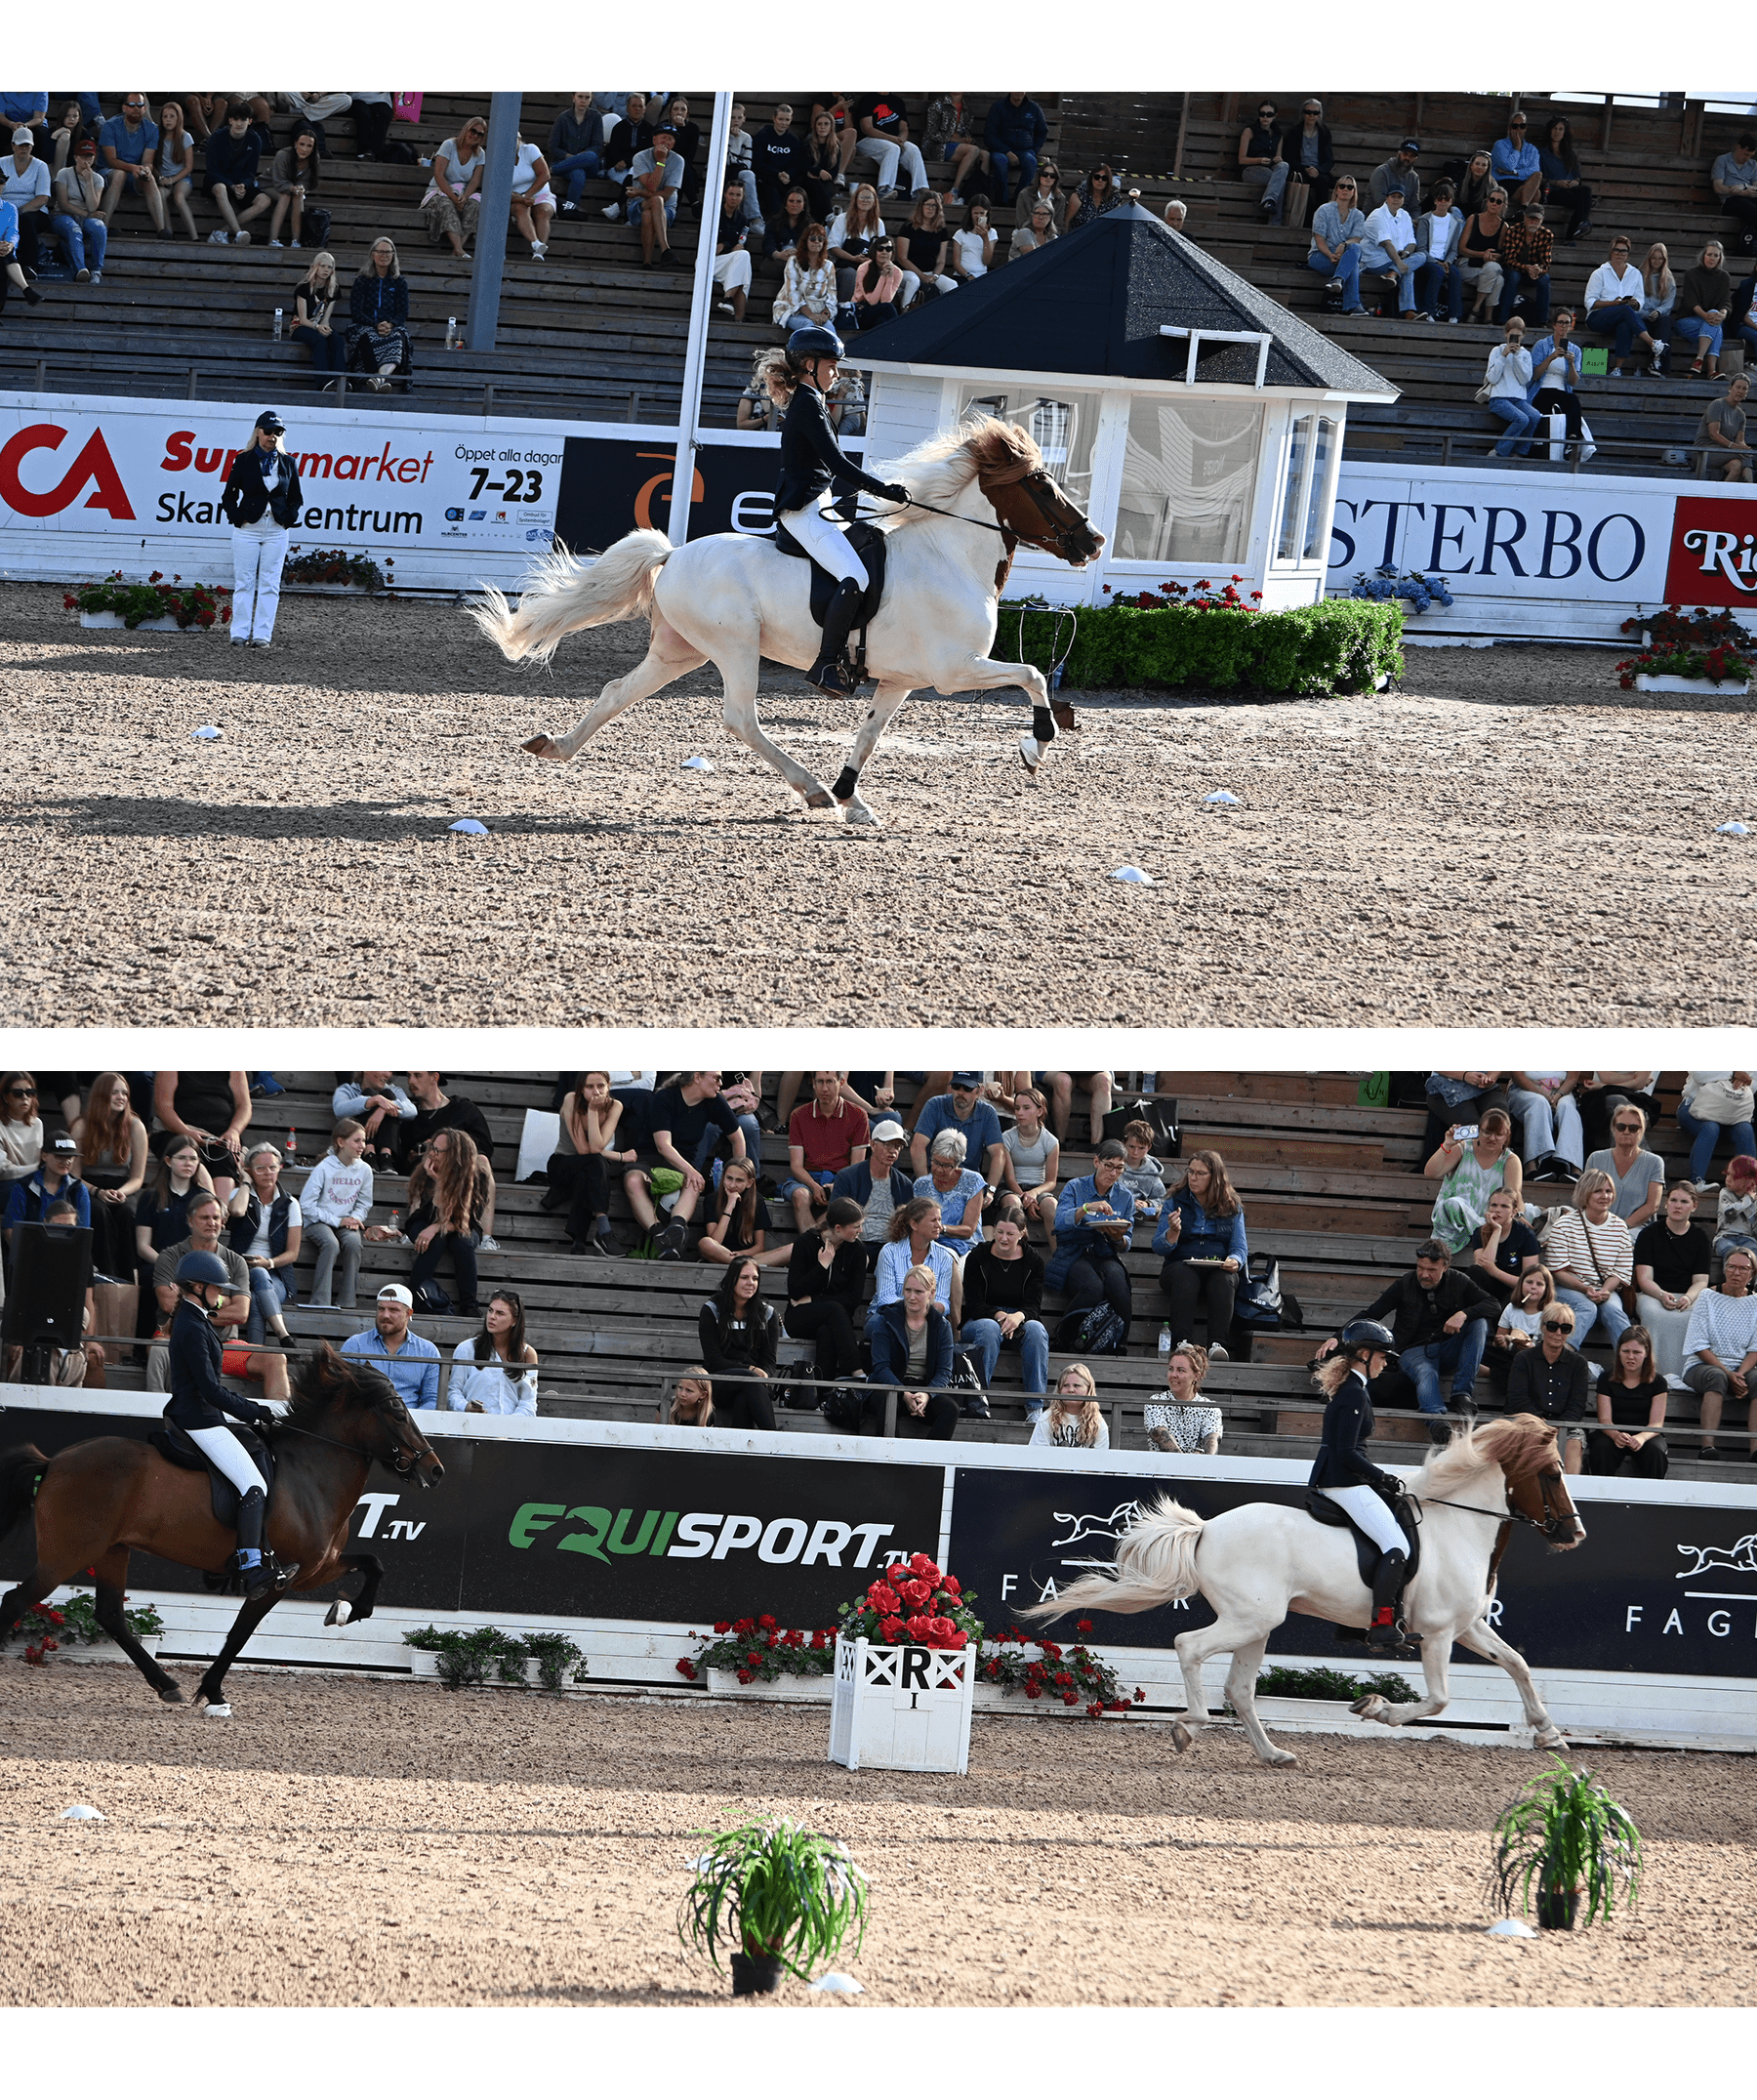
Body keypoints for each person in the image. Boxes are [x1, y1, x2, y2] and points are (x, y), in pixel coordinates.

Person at [769, 325, 911, 697]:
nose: (837, 373)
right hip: (804, 512)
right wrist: (884, 490)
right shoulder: (807, 403)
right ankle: (825, 663)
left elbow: (829, 467)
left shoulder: (810, 399)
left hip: (820, 504)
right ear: (810, 364)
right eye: (832, 366)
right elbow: (838, 462)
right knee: (855, 576)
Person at [163, 1250, 281, 1597]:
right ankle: (251, 1566)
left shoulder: (195, 1318)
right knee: (252, 1485)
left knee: (257, 1447)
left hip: (202, 1415)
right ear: (197, 1287)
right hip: (199, 1419)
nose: (222, 1295)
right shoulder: (190, 1324)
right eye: (216, 1288)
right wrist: (253, 1410)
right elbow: (211, 1390)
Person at [1322, 1241, 1500, 1434]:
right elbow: (1372, 1312)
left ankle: (1461, 1393)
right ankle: (1437, 1423)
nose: (1424, 1274)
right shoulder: (1405, 1284)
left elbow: (1493, 1304)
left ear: (1445, 1267)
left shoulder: (1459, 1280)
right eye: (1420, 1268)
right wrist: (1337, 1338)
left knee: (1479, 1322)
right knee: (1426, 1373)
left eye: (1431, 1270)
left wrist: (1464, 1314)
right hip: (1412, 1350)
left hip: (1448, 1347)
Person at [1308, 1319, 1410, 1649]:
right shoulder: (1354, 1392)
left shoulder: (1353, 1388)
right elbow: (1348, 1453)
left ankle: (1349, 1625)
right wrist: (1382, 1477)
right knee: (1398, 1546)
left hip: (1340, 1478)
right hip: (1343, 1482)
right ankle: (1381, 1623)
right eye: (1382, 1355)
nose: (1385, 1361)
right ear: (1364, 1354)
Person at [149, 1192, 290, 1405]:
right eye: (205, 1218)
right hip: (176, 1338)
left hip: (222, 1345)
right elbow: (169, 1304)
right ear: (190, 1221)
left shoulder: (236, 1261)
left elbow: (241, 1313)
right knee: (159, 1349)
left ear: (223, 1222)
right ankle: (154, 1414)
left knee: (275, 1358)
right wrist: (226, 1300)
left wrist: (191, 1306)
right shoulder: (170, 1257)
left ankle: (279, 1427)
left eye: (216, 1218)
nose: (212, 1223)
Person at [627, 1071, 747, 1259]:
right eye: (716, 1078)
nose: (721, 1083)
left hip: (682, 1165)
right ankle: (661, 1235)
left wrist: (739, 1176)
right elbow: (663, 1145)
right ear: (697, 1077)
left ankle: (676, 1227)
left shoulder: (714, 1100)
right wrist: (691, 1171)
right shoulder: (665, 1097)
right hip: (650, 1159)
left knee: (694, 1183)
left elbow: (738, 1138)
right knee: (633, 1180)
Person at [221, 410, 302, 648]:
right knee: (244, 581)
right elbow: (229, 495)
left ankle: (262, 636)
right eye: (268, 431)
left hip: (276, 529)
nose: (272, 436)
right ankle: (239, 633)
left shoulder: (288, 462)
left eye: (277, 432)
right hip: (248, 528)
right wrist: (237, 517)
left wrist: (288, 518)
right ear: (258, 432)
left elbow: (296, 497)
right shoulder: (243, 460)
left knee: (270, 584)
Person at [1153, 1149, 1246, 1358]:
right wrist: (1173, 1233)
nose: (1192, 1178)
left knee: (1225, 1279)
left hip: (1216, 1268)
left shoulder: (1232, 1206)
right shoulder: (1174, 1202)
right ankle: (1182, 1342)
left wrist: (1235, 1260)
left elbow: (1239, 1247)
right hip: (1179, 1268)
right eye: (1190, 1172)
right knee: (1186, 1275)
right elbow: (1158, 1247)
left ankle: (1217, 1346)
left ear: (1214, 1177)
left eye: (1200, 1173)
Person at [1047, 1141, 1136, 1348]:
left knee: (1118, 1283)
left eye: (1119, 1168)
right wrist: (1086, 1208)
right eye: (1109, 1166)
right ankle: (1064, 1337)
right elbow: (1060, 1221)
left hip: (1105, 1253)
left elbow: (1126, 1242)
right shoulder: (1076, 1187)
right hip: (1075, 1252)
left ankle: (1120, 1342)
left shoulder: (1125, 1197)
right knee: (1093, 1287)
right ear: (1097, 1162)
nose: (1114, 1173)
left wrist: (1117, 1236)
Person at [960, 1206, 1048, 1412]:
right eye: (1000, 1232)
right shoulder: (978, 1256)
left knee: (1036, 1331)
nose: (1004, 1238)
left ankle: (1035, 1409)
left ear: (1022, 1233)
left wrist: (1018, 1316)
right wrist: (999, 1315)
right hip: (982, 1320)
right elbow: (974, 1304)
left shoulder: (1033, 1261)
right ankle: (977, 1402)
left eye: (1010, 1233)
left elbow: (1033, 1306)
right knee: (990, 1328)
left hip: (1019, 1321)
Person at [541, 1072, 633, 1258]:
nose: (596, 1092)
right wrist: (620, 1156)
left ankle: (578, 1243)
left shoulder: (615, 1106)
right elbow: (584, 1150)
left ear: (609, 1086)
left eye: (600, 1086)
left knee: (589, 1173)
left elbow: (597, 1147)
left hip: (589, 1170)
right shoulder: (571, 1100)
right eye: (589, 1087)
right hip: (563, 1164)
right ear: (581, 1089)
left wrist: (594, 1112)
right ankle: (604, 1232)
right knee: (596, 1163)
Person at [1542, 1169, 1634, 1355]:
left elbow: (1620, 1270)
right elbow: (1558, 1271)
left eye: (1608, 1191)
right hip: (1570, 1288)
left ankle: (1631, 1363)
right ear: (1585, 1193)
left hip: (1604, 1288)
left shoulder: (1620, 1227)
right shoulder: (1564, 1225)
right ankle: (1564, 1355)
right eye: (1598, 1191)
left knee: (1614, 1312)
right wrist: (1585, 1289)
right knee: (1587, 1307)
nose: (1604, 1196)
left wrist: (1604, 1291)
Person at [784, 1195, 868, 1393]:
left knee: (827, 1330)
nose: (860, 1231)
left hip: (834, 1320)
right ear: (838, 1228)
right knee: (833, 1310)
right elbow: (795, 1290)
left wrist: (813, 1299)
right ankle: (855, 1370)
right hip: (799, 1317)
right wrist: (822, 1266)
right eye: (856, 1226)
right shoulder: (806, 1242)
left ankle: (821, 1393)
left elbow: (853, 1299)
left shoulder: (857, 1251)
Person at [405, 1127, 493, 1315]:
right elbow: (427, 1212)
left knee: (463, 1243)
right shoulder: (427, 1171)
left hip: (463, 1224)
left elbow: (465, 1221)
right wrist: (437, 1183)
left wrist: (438, 1226)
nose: (432, 1154)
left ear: (455, 1154)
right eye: (432, 1148)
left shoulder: (477, 1178)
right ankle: (413, 1299)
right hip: (425, 1220)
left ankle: (469, 1306)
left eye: (438, 1150)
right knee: (436, 1241)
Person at [1633, 1181, 1713, 1386]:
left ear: (1693, 1206)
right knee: (1655, 1315)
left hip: (1687, 1295)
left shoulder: (1700, 1237)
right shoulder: (1648, 1235)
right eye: (1674, 1200)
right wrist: (1661, 1295)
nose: (1678, 1206)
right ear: (1666, 1204)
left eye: (1684, 1201)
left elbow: (1701, 1281)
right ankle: (1653, 1375)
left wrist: (1687, 1297)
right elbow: (1644, 1279)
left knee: (1693, 1317)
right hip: (1652, 1294)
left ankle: (1684, 1377)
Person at [1681, 1247, 1757, 1461]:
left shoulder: (1756, 1302)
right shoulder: (1707, 1296)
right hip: (1703, 1365)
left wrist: (1739, 1374)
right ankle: (1708, 1447)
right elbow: (1697, 1344)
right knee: (1717, 1377)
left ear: (1752, 1274)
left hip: (1743, 1367)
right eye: (1731, 1267)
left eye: (1743, 1268)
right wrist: (1728, 1373)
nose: (1736, 1272)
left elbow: (1756, 1348)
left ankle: (1755, 1450)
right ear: (1724, 1269)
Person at [70, 1071, 146, 1281]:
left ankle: (127, 1279)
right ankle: (106, 1275)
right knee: (100, 1212)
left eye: (125, 1093)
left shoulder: (135, 1126)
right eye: (114, 1093)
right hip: (89, 1186)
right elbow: (73, 1176)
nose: (121, 1097)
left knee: (125, 1215)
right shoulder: (82, 1125)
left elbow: (138, 1178)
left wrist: (119, 1193)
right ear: (101, 1095)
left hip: (123, 1188)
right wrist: (97, 1191)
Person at [867, 1264, 959, 1440]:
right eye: (907, 1290)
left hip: (924, 1387)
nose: (911, 1297)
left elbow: (944, 1371)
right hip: (890, 1386)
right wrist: (903, 1394)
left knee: (950, 1409)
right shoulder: (886, 1320)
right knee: (887, 1403)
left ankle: (929, 1463)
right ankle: (891, 1460)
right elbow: (881, 1367)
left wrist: (927, 1394)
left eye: (918, 1292)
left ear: (931, 1294)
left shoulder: (941, 1325)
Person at [225, 1141, 301, 1347]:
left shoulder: (290, 1204)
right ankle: (283, 1336)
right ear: (250, 1171)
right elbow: (237, 1212)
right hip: (239, 1270)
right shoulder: (238, 1196)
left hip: (276, 1275)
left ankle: (256, 1352)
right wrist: (245, 1183)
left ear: (280, 1169)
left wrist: (268, 1263)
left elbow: (292, 1253)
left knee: (258, 1294)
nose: (267, 1173)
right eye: (260, 1168)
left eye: (272, 1167)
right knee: (257, 1278)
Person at [1505, 1300, 1590, 1474]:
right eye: (1552, 1326)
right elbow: (1518, 1399)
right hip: (1528, 1421)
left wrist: (1558, 1426)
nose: (1558, 1333)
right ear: (1543, 1327)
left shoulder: (1578, 1364)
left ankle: (1569, 1492)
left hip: (1565, 1424)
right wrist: (1540, 1423)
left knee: (1574, 1440)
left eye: (1565, 1328)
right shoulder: (1523, 1359)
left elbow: (1577, 1405)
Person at [695, 1257, 780, 1428]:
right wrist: (750, 1370)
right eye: (744, 1277)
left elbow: (769, 1360)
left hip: (754, 1384)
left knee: (744, 1398)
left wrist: (765, 1376)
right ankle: (773, 1439)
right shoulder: (711, 1310)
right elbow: (714, 1360)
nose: (751, 1283)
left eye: (755, 1279)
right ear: (732, 1278)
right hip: (719, 1381)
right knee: (749, 1380)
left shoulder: (768, 1314)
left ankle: (742, 1454)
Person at [1426, 1107, 1523, 1255]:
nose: (1492, 1138)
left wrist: (1520, 1217)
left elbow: (1514, 1194)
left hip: (1490, 1220)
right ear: (1478, 1130)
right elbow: (1431, 1173)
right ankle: (1483, 1229)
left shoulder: (1510, 1160)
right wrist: (1447, 1145)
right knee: (1452, 1205)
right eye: (1487, 1132)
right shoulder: (1463, 1148)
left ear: (1507, 1135)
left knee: (1532, 1212)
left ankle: (1486, 1229)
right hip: (1454, 1224)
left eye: (1498, 1134)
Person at [299, 1118, 372, 1309]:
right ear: (341, 1142)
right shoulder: (324, 1167)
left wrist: (357, 1218)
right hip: (318, 1221)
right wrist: (336, 1220)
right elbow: (306, 1205)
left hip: (346, 1222)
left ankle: (347, 1301)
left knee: (354, 1243)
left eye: (364, 1141)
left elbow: (364, 1202)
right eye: (357, 1141)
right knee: (331, 1244)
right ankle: (320, 1302)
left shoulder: (365, 1170)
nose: (362, 1146)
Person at [785, 1069, 869, 1234]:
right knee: (800, 1195)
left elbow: (856, 1167)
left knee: (842, 1201)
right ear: (813, 1083)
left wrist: (836, 1185)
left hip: (842, 1178)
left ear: (841, 1083)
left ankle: (810, 1245)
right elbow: (796, 1166)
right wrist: (814, 1187)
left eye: (830, 1081)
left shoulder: (859, 1115)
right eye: (820, 1082)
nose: (824, 1088)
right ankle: (814, 1244)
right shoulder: (799, 1115)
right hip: (808, 1178)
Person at [152, 1070, 250, 1200]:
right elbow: (164, 1106)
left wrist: (234, 1131)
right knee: (191, 1161)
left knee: (225, 1168)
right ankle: (210, 1209)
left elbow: (244, 1106)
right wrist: (186, 1132)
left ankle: (219, 1214)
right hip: (178, 1133)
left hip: (220, 1137)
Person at [341, 1283, 441, 1409]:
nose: (385, 1315)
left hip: (410, 1422)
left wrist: (409, 1424)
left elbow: (432, 1399)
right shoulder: (355, 1345)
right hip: (365, 1421)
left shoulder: (428, 1351)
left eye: (393, 1310)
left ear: (408, 1313)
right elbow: (343, 1393)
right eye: (381, 1309)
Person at [832, 1117, 914, 1266]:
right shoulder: (847, 1177)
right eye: (887, 1145)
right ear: (873, 1145)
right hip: (854, 1243)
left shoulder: (905, 1184)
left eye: (897, 1146)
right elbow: (835, 1216)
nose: (893, 1151)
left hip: (891, 1247)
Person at [1588, 1328, 1669, 1479]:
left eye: (1637, 1352)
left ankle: (1652, 1498)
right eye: (1626, 1351)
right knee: (1601, 1448)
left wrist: (1641, 1438)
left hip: (1646, 1434)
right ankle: (1601, 1496)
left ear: (1646, 1353)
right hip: (1612, 1432)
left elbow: (1656, 1424)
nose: (1630, 1357)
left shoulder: (1658, 1382)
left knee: (1655, 1452)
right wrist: (1616, 1435)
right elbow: (1604, 1420)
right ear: (1619, 1352)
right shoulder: (1606, 1379)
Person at [448, 1292, 538, 1415]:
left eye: (500, 1313)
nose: (492, 1316)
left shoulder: (528, 1354)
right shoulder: (466, 1348)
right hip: (471, 1425)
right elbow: (453, 1392)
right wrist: (466, 1407)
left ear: (515, 1321)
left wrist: (509, 1427)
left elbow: (529, 1402)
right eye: (490, 1310)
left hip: (513, 1429)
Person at [873, 1197, 960, 1322]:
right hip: (891, 1316)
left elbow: (942, 1301)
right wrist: (915, 1309)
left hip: (927, 1317)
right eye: (933, 1220)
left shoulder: (944, 1256)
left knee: (940, 1325)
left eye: (939, 1220)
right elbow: (886, 1298)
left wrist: (922, 1312)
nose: (939, 1226)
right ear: (914, 1224)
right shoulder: (889, 1252)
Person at [1583, 1102, 1665, 1228]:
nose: (1626, 1132)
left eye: (1633, 1128)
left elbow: (1652, 1206)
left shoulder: (1654, 1163)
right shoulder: (1596, 1159)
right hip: (1598, 1226)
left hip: (1635, 1229)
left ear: (1642, 1131)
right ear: (1613, 1128)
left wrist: (1620, 1228)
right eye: (1621, 1127)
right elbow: (1586, 1198)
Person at [3, 1133, 90, 1250]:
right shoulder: (23, 1187)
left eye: (71, 1157)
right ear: (44, 1156)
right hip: (30, 1254)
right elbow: (10, 1230)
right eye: (60, 1156)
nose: (67, 1161)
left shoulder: (79, 1189)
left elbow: (83, 1233)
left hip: (68, 1255)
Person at [347, 236, 413, 391]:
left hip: (390, 327)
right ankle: (375, 380)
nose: (384, 256)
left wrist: (390, 325)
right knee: (366, 336)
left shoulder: (399, 282)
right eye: (380, 252)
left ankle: (378, 378)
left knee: (399, 337)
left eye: (388, 252)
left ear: (393, 256)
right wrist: (375, 325)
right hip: (365, 325)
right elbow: (356, 312)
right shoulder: (362, 280)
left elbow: (403, 312)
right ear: (372, 255)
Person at [999, 1086, 1060, 1244]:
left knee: (1051, 1205)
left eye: (1026, 1108)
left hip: (1038, 1188)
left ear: (1039, 1111)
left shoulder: (1051, 1141)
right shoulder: (1007, 1137)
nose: (1019, 1112)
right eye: (1017, 1108)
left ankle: (1059, 1259)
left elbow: (1051, 1181)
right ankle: (1013, 1255)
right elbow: (1010, 1178)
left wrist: (1033, 1194)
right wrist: (1027, 1199)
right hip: (1012, 1188)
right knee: (1013, 1203)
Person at [1462, 1185, 1542, 1308]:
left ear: (1514, 1212)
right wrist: (1496, 1230)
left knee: (1511, 1300)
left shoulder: (1526, 1235)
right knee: (1474, 1271)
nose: (1497, 1210)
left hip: (1514, 1290)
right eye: (1494, 1205)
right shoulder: (1480, 1232)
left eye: (1504, 1206)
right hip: (1487, 1290)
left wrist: (1494, 1271)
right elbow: (1482, 1267)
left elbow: (1529, 1283)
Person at [397, 1072, 495, 1172]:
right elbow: (402, 1161)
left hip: (458, 1173)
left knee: (482, 1160)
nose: (411, 1081)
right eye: (409, 1076)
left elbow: (485, 1146)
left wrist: (445, 1144)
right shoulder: (409, 1118)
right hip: (423, 1174)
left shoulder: (464, 1109)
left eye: (418, 1075)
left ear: (435, 1077)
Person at [1485, 1262, 1558, 1391]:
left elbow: (1553, 1348)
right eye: (1529, 1282)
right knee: (1485, 1350)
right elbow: (1499, 1339)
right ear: (1521, 1284)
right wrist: (1502, 1342)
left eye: (1539, 1284)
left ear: (1547, 1289)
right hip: (1511, 1354)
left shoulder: (1550, 1313)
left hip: (1536, 1357)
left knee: (1524, 1364)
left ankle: (1489, 1373)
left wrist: (1531, 1347)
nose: (1533, 1287)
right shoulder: (1511, 1308)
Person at [97, 92, 164, 232]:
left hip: (134, 173)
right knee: (119, 174)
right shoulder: (110, 126)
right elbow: (111, 161)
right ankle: (104, 226)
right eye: (132, 105)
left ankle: (162, 231)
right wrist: (133, 167)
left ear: (145, 108)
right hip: (108, 172)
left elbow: (148, 161)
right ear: (124, 108)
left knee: (149, 177)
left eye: (140, 105)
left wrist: (145, 169)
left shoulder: (152, 129)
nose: (136, 108)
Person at [201, 104, 269, 243]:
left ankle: (222, 231)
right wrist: (231, 186)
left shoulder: (255, 139)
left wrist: (243, 185)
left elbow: (251, 172)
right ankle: (239, 234)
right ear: (230, 120)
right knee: (221, 188)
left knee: (264, 200)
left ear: (250, 121)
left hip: (239, 184)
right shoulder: (217, 137)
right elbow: (212, 171)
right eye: (236, 119)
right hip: (217, 182)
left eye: (243, 119)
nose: (239, 123)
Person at [421, 116, 485, 259]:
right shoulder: (449, 145)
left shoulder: (480, 154)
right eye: (473, 130)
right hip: (440, 190)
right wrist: (453, 198)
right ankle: (459, 249)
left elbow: (475, 180)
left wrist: (465, 197)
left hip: (463, 192)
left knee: (474, 205)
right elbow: (438, 175)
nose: (475, 135)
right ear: (465, 129)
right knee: (445, 204)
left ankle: (458, 249)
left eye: (480, 134)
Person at [1677, 1070, 1756, 1188]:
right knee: (1710, 1128)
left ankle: (1750, 1187)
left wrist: (1741, 1082)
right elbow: (1699, 1074)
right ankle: (1696, 1182)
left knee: (1745, 1130)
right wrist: (1732, 1074)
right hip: (1694, 1108)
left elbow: (1753, 1083)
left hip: (1732, 1114)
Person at [1144, 1340, 1222, 1456]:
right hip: (1161, 1470)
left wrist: (1203, 1462)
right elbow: (1161, 1436)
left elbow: (1211, 1443)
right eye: (1171, 1369)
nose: (1173, 1375)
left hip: (1198, 1471)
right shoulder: (1155, 1402)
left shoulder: (1211, 1408)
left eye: (1181, 1370)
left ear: (1197, 1375)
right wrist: (1187, 1464)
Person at [1507, 1068, 1584, 1182]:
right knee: (1540, 1103)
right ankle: (1532, 1168)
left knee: (1568, 1108)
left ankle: (1576, 1172)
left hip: (1561, 1091)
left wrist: (1557, 1095)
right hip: (1525, 1089)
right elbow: (1518, 1076)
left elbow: (1572, 1078)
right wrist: (1546, 1096)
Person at [915, 1131, 985, 1254]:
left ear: (957, 1164)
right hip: (928, 1246)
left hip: (965, 1247)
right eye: (936, 1162)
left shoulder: (973, 1181)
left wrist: (941, 1229)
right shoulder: (920, 1185)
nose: (939, 1170)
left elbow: (968, 1230)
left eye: (946, 1165)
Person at [847, 93, 927, 201]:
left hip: (893, 142)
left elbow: (904, 128)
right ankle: (884, 190)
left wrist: (901, 140)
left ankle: (921, 191)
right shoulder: (868, 99)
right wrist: (892, 139)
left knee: (913, 149)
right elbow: (867, 128)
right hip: (867, 142)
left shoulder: (897, 101)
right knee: (892, 148)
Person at [1306, 175, 1368, 313]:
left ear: (1354, 192)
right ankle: (1353, 306)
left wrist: (1344, 245)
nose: (1346, 189)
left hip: (1345, 256)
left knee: (1355, 248)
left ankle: (1338, 279)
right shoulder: (1324, 210)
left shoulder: (1358, 215)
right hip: (1320, 255)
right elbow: (1319, 239)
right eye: (1342, 186)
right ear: (1336, 190)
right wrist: (1330, 255)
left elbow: (1356, 239)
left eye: (1350, 187)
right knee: (1353, 267)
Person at [47, 136, 105, 280]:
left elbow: (93, 206)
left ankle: (96, 270)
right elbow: (63, 204)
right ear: (76, 157)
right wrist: (86, 214)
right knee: (74, 230)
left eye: (90, 156)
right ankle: (81, 269)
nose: (87, 160)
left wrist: (89, 182)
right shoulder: (64, 173)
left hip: (85, 216)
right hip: (62, 215)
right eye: (84, 156)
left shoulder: (98, 179)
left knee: (100, 227)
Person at [627, 121, 682, 268]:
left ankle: (647, 262)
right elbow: (652, 187)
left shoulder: (678, 161)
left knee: (649, 213)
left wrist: (639, 192)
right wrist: (661, 161)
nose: (667, 141)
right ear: (654, 140)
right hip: (637, 206)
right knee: (655, 200)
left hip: (667, 211)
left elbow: (666, 195)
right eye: (663, 137)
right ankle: (665, 249)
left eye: (670, 139)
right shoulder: (640, 157)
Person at [1527, 309, 1584, 450]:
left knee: (1573, 400)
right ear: (1554, 325)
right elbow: (1535, 375)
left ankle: (1572, 439)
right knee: (1548, 404)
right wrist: (1551, 357)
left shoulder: (1575, 350)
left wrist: (1571, 364)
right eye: (1561, 323)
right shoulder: (1542, 345)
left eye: (1567, 323)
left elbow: (1573, 382)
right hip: (1542, 390)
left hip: (1562, 392)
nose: (1564, 327)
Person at [1674, 241, 1733, 379]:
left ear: (1720, 258)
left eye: (1716, 255)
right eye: (1709, 254)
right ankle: (1711, 371)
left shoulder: (1724, 277)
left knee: (1715, 322)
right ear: (1703, 256)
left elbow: (1726, 301)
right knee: (1716, 328)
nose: (1712, 258)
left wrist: (1723, 314)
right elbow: (1690, 301)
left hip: (1711, 321)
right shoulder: (1691, 274)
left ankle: (1698, 362)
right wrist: (1705, 315)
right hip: (1688, 321)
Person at [266, 124, 328, 251]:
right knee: (285, 196)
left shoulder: (314, 158)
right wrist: (292, 188)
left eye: (309, 146)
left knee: (298, 196)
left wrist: (301, 188)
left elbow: (308, 181)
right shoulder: (283, 155)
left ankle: (296, 241)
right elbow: (279, 181)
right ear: (295, 144)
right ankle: (272, 240)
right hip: (269, 185)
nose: (304, 149)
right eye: (302, 144)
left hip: (290, 188)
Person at [1361, 182, 1418, 316]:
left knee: (1421, 256)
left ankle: (1393, 273)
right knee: (1408, 271)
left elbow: (1412, 242)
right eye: (1393, 196)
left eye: (1399, 197)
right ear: (1387, 198)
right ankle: (1409, 312)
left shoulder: (1405, 215)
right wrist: (1400, 264)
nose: (1396, 199)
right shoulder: (1378, 215)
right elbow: (1386, 244)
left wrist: (1406, 253)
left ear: (1403, 200)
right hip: (1374, 261)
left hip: (1394, 259)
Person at [290, 250, 348, 385]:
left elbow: (326, 319)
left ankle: (339, 381)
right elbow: (303, 319)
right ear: (316, 266)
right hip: (300, 326)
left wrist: (325, 327)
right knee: (319, 341)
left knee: (337, 339)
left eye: (329, 267)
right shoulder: (304, 288)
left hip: (319, 325)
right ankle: (323, 383)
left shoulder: (333, 289)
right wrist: (317, 327)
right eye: (323, 266)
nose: (326, 270)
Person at [1577, 1071, 1661, 1165]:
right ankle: (1645, 1165)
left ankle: (1637, 1166)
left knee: (1624, 1108)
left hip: (1634, 1099)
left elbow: (1639, 1083)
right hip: (1600, 1099)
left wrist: (1604, 1085)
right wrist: (1633, 1077)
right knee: (1622, 1105)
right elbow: (1606, 1077)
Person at [1274, 100, 1333, 227]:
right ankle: (1307, 223)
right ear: (1303, 114)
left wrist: (1318, 169)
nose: (1311, 116)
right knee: (1302, 184)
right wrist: (1305, 168)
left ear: (1319, 115)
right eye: (1308, 112)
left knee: (1323, 182)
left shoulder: (1324, 133)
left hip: (1318, 170)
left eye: (1315, 113)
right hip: (1300, 170)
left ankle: (1321, 222)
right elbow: (1289, 157)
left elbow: (1329, 159)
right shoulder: (1295, 132)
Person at [1, 127, 50, 278]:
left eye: (27, 145)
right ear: (13, 145)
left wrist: (18, 211)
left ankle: (30, 265)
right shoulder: (1, 163)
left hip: (34, 210)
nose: (24, 148)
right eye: (20, 145)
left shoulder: (41, 166)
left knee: (25, 221)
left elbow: (43, 198)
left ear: (32, 147)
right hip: (4, 208)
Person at [982, 93, 1045, 209]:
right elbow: (989, 135)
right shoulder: (998, 107)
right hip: (1001, 150)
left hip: (1025, 150)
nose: (1018, 91)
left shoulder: (1034, 108)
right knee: (1000, 161)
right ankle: (1002, 200)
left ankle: (1018, 199)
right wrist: (1006, 151)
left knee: (1031, 162)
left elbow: (1042, 132)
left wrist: (1034, 150)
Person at [548, 92, 607, 213]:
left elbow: (597, 146)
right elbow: (553, 147)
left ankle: (553, 170)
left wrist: (581, 157)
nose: (583, 100)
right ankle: (570, 211)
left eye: (587, 97)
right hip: (565, 162)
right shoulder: (563, 118)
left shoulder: (596, 117)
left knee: (590, 155)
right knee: (578, 174)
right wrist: (569, 157)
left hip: (589, 164)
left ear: (591, 100)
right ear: (573, 98)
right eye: (580, 97)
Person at [1413, 182, 1464, 322]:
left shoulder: (1456, 222)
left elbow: (1454, 249)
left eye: (1446, 199)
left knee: (1455, 273)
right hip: (1427, 260)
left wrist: (1447, 262)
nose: (1443, 202)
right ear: (1435, 200)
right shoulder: (1425, 220)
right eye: (1440, 199)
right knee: (1437, 271)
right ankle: (1428, 312)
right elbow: (1421, 248)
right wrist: (1436, 262)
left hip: (1445, 261)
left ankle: (1455, 315)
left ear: (1451, 201)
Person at [1496, 200, 1552, 324]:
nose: (1533, 222)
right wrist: (1526, 268)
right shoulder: (1513, 231)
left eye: (1536, 219)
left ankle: (1542, 321)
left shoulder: (1546, 235)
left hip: (1532, 273)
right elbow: (1508, 260)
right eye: (1530, 218)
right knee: (1513, 277)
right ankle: (1503, 318)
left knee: (1544, 280)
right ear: (1525, 218)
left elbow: (1546, 262)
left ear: (1542, 220)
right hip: (1514, 269)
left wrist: (1538, 269)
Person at [1459, 185, 1508, 322]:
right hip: (1467, 264)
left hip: (1487, 269)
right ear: (1487, 201)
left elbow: (1500, 252)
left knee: (1497, 276)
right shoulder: (1473, 219)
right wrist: (1482, 254)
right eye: (1492, 200)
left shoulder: (1503, 226)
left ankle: (1476, 310)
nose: (1494, 204)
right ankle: (1486, 316)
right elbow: (1461, 249)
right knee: (1495, 275)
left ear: (1503, 205)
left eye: (1499, 202)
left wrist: (1494, 257)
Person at [1538, 116, 1592, 243]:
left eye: (1560, 129)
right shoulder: (1541, 153)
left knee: (1585, 190)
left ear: (1564, 132)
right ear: (1550, 131)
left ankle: (1580, 225)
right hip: (1552, 191)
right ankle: (1576, 231)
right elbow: (1538, 177)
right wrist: (1556, 183)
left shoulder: (1569, 154)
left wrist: (1576, 181)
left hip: (1571, 189)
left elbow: (1576, 174)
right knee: (1582, 202)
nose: (1557, 132)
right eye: (1555, 128)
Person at [923, 93, 984, 204]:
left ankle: (976, 198)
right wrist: (956, 140)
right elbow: (932, 134)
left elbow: (966, 132)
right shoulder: (938, 105)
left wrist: (968, 139)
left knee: (985, 156)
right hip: (937, 147)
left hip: (958, 147)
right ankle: (954, 191)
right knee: (973, 150)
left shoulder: (967, 110)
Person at [1031, 1362, 1108, 1449]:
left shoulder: (1098, 1423)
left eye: (1076, 1385)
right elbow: (1036, 1454)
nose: (1071, 1390)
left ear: (1088, 1390)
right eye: (1065, 1385)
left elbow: (1100, 1459)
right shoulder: (1046, 1418)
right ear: (1059, 1390)